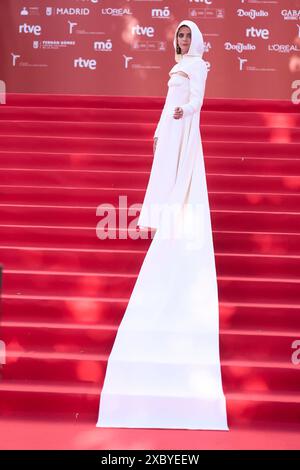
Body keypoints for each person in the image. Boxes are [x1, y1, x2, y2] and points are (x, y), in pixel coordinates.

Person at [96, 20, 229, 430]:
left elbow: (198, 103)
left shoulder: (199, 65)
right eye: (181, 36)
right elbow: (166, 105)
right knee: (163, 181)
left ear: (198, 40)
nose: (184, 41)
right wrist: (159, 129)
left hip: (184, 130)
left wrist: (181, 112)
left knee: (180, 183)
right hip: (169, 131)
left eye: (189, 36)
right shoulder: (178, 65)